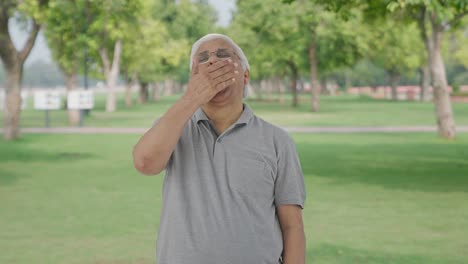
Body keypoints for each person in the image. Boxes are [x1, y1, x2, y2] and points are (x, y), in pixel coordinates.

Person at [132, 33, 306, 264]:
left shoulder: (277, 141)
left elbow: (292, 226)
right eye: (203, 59)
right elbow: (145, 163)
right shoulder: (173, 128)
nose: (213, 61)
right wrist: (191, 98)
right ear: (193, 77)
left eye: (224, 55)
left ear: (245, 76)